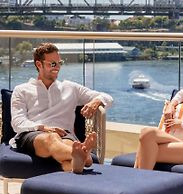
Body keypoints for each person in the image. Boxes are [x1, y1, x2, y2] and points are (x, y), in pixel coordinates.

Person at [10, 42, 113, 173]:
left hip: (65, 135)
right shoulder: (22, 90)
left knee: (70, 153)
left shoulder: (70, 88)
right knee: (52, 138)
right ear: (38, 64)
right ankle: (85, 155)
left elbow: (108, 98)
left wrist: (97, 101)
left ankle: (79, 159)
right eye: (52, 64)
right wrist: (43, 128)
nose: (57, 67)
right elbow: (17, 122)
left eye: (60, 63)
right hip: (33, 134)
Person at [134, 46, 183, 170]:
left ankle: (137, 185)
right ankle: (138, 184)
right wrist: (171, 106)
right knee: (146, 134)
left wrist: (180, 124)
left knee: (148, 147)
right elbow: (181, 94)